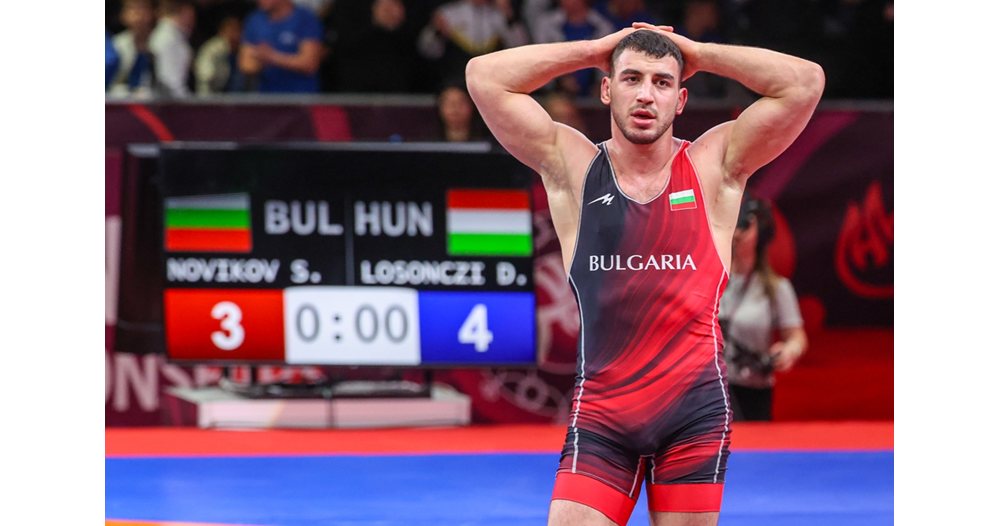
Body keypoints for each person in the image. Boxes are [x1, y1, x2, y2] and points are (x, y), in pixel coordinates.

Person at [466, 22, 823, 526]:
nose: (646, 95)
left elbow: (805, 83)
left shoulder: (714, 166)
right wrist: (595, 49)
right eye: (631, 78)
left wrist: (699, 53)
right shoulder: (574, 167)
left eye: (662, 82)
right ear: (607, 89)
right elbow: (483, 76)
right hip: (603, 418)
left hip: (693, 416)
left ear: (681, 99)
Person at [719, 195, 807, 421]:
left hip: (752, 390)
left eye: (745, 224)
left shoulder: (776, 288)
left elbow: (796, 337)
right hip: (711, 389)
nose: (738, 232)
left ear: (762, 233)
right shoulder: (710, 280)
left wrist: (789, 350)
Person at [239, 0, 324, 93]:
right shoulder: (254, 20)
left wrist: (271, 57)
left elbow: (309, 63)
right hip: (267, 96)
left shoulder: (306, 19)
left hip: (300, 96)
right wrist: (262, 57)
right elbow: (246, 64)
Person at [108, 0, 157, 96]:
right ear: (123, 15)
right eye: (133, 8)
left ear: (153, 12)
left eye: (143, 8)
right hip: (123, 100)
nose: (139, 15)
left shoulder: (159, 41)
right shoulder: (117, 44)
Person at [149, 0, 197, 97]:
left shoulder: (176, 35)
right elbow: (170, 81)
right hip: (170, 100)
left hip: (175, 97)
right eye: (191, 14)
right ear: (185, 11)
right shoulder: (167, 38)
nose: (194, 20)